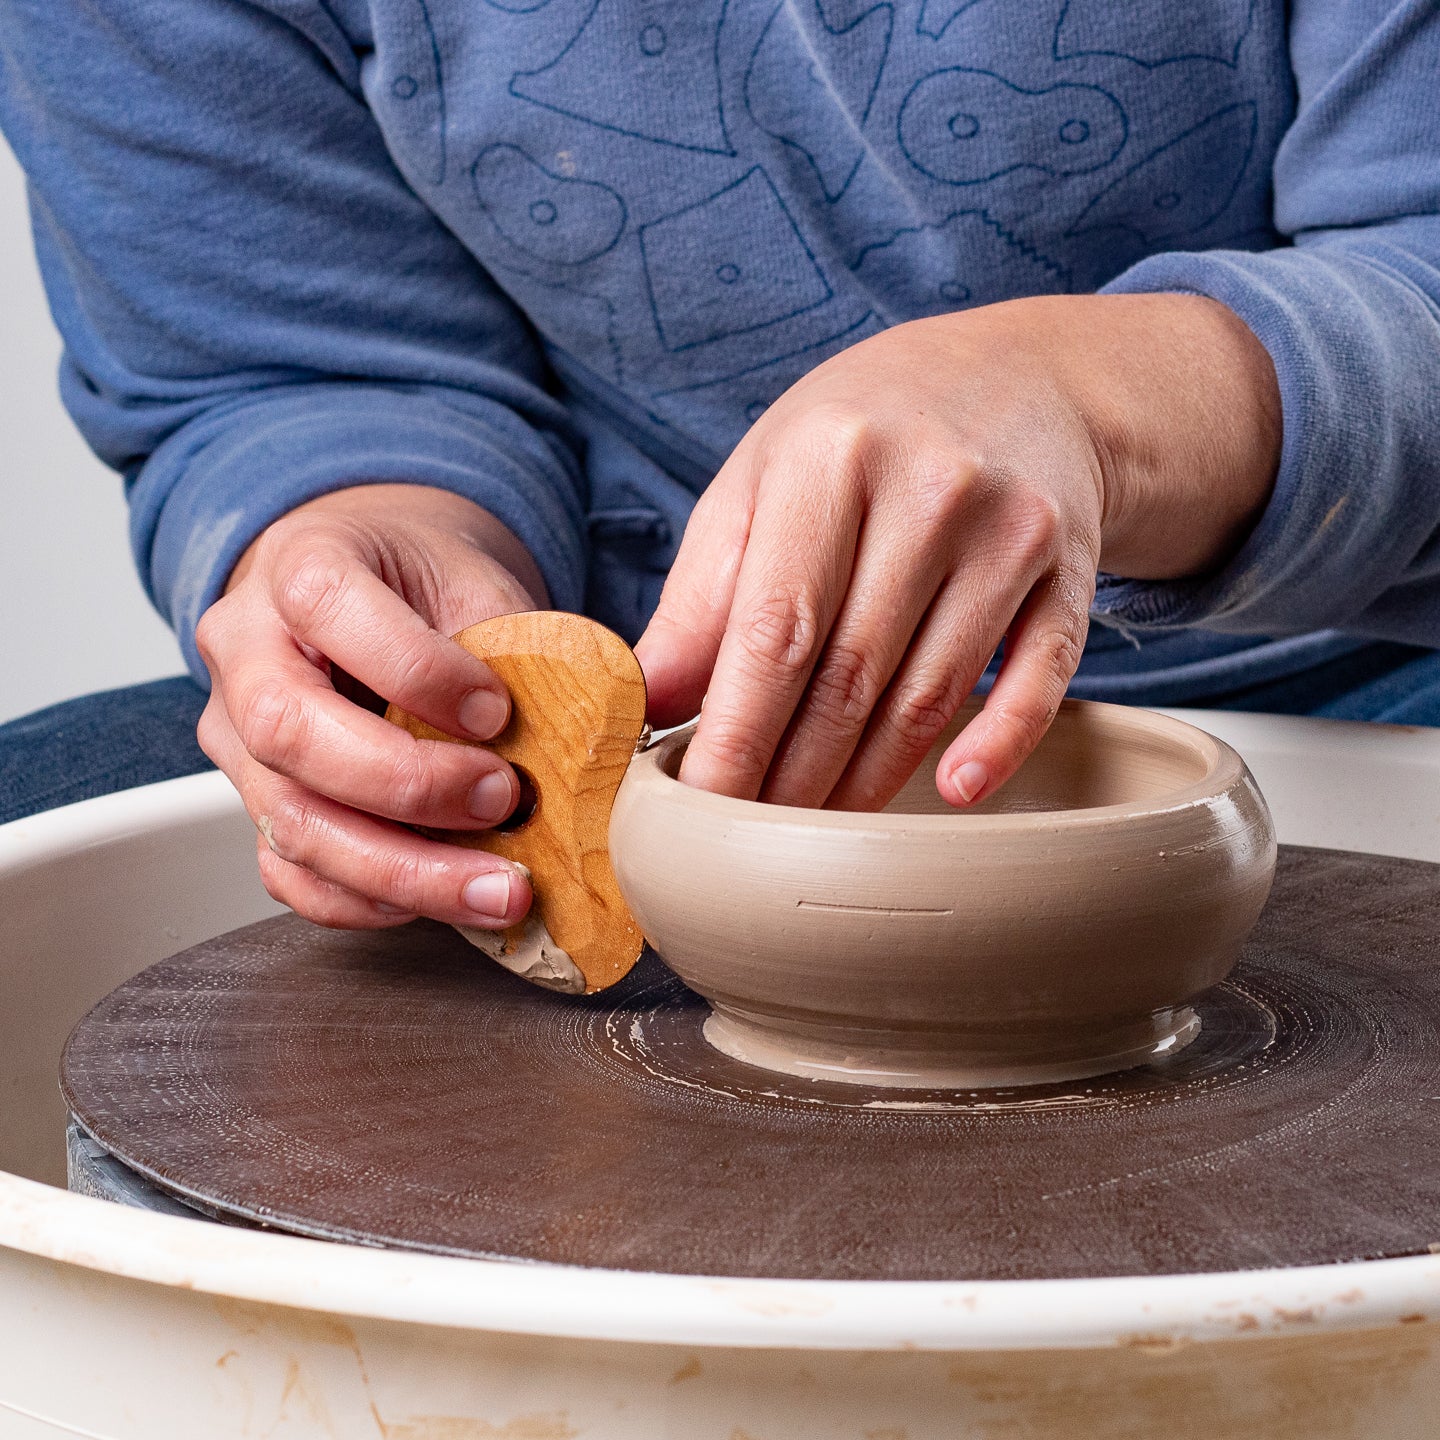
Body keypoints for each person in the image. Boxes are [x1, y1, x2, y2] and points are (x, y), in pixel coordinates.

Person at [1, 1, 1437, 936]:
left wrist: (1094, 402)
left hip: (1350, 658)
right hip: (653, 726)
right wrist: (365, 559)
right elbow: (296, 358)